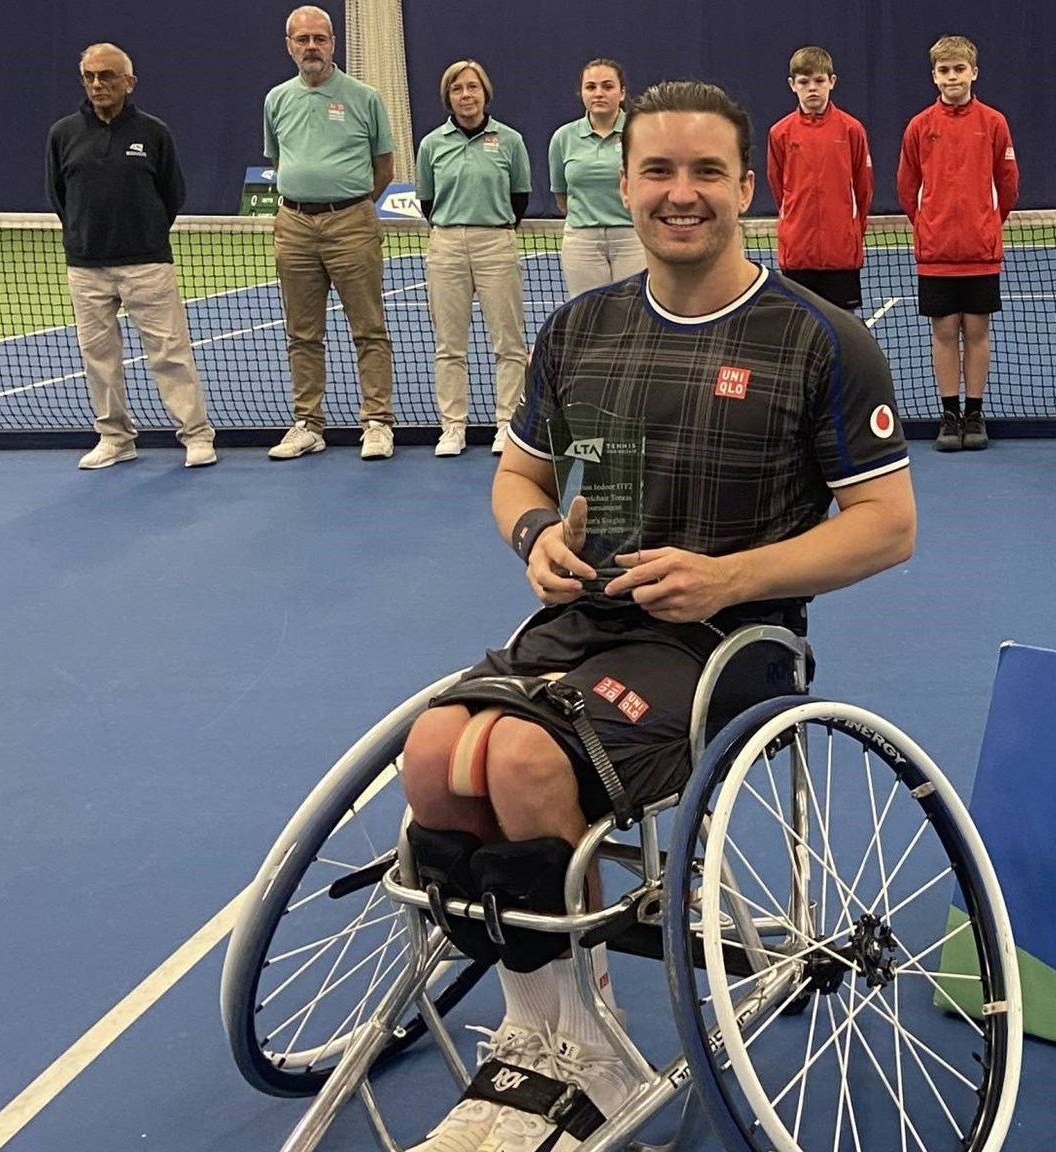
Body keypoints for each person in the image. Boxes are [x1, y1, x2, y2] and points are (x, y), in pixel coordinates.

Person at [396, 80, 915, 1152]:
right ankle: (545, 1033)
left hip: (733, 644)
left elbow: (884, 526)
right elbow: (515, 481)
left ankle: (581, 1050)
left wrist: (727, 581)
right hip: (588, 623)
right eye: (660, 173)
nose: (682, 195)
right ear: (623, 184)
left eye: (706, 174)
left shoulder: (820, 338)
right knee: (436, 754)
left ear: (743, 187)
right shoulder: (579, 326)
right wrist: (532, 534)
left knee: (524, 768)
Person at [45, 42, 216, 469]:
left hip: (147, 264)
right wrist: (85, 238)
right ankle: (115, 437)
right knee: (98, 360)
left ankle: (196, 435)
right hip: (86, 268)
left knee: (171, 354)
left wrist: (146, 236)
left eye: (107, 76)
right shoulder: (62, 134)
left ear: (129, 82)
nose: (97, 84)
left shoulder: (153, 132)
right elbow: (59, 196)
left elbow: (171, 193)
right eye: (90, 76)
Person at [263, 4, 397, 461]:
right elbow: (279, 161)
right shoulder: (276, 99)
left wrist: (348, 203)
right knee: (302, 333)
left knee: (369, 328)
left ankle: (377, 423)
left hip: (352, 224)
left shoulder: (365, 97)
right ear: (289, 46)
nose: (311, 47)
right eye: (302, 40)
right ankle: (308, 424)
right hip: (294, 226)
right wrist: (307, 195)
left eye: (319, 38)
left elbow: (384, 168)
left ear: (333, 43)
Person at [898, 35, 1018, 451]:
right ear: (934, 76)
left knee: (977, 331)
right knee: (945, 332)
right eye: (944, 71)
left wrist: (984, 225)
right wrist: (931, 226)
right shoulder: (919, 127)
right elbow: (907, 186)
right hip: (936, 254)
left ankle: (974, 413)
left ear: (974, 72)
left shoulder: (994, 123)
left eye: (959, 69)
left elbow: (1008, 186)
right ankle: (949, 417)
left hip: (980, 253)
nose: (952, 77)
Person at [416, 59, 531, 458]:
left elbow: (519, 197)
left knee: (510, 342)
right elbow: (428, 200)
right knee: (449, 345)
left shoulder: (511, 141)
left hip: (496, 243)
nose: (466, 95)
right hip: (446, 244)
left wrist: (489, 227)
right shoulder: (431, 144)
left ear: (485, 93)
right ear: (448, 97)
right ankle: (453, 427)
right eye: (458, 89)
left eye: (473, 88)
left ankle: (507, 424)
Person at [766, 45, 874, 312]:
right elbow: (779, 187)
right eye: (804, 82)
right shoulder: (779, 133)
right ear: (792, 85)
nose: (812, 88)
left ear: (832, 82)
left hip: (841, 256)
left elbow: (863, 188)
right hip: (798, 255)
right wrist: (794, 226)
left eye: (819, 80)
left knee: (844, 329)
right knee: (799, 327)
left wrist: (849, 234)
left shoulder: (852, 130)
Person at [549, 58, 644, 298]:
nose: (598, 93)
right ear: (581, 93)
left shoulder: (641, 132)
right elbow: (562, 194)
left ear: (622, 93)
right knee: (588, 317)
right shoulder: (563, 137)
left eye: (608, 86)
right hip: (582, 242)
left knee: (635, 313)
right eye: (591, 87)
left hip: (634, 238)